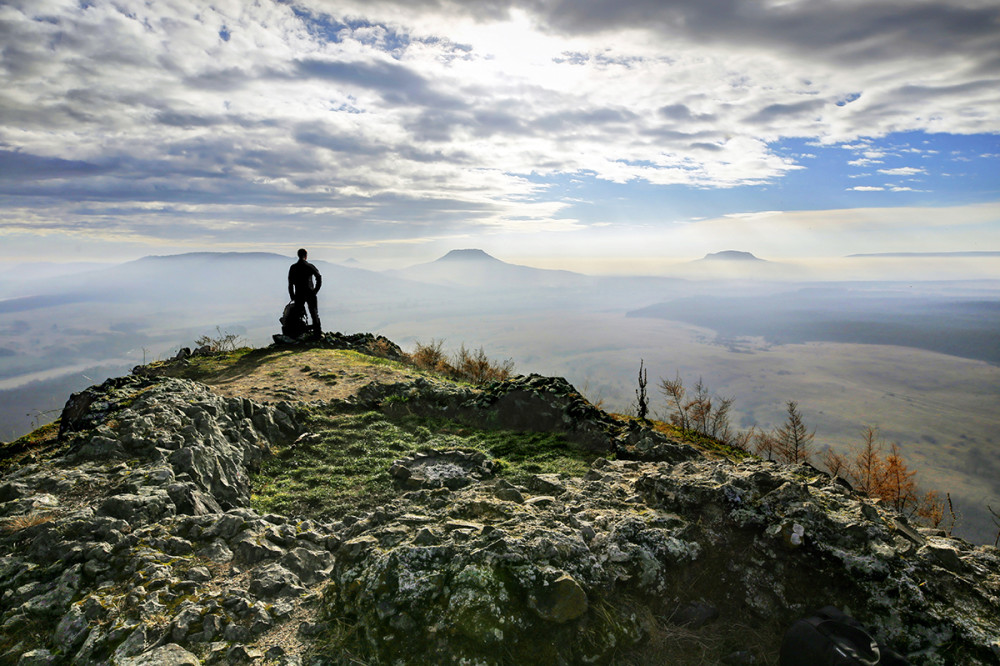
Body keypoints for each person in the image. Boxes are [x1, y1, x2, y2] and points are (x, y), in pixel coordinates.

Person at [288, 248, 322, 336]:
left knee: (298, 314)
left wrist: (292, 296)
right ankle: (317, 334)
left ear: (298, 255)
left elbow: (290, 283)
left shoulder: (293, 267)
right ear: (306, 256)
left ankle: (299, 333)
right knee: (314, 313)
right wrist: (315, 291)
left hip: (299, 294)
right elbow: (319, 277)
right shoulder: (309, 266)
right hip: (310, 293)